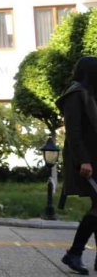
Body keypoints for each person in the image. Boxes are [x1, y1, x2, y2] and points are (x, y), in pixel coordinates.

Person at [59, 57, 97, 275]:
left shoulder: (91, 94)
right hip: (87, 160)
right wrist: (83, 159)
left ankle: (78, 254)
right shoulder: (75, 94)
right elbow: (73, 132)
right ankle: (74, 253)